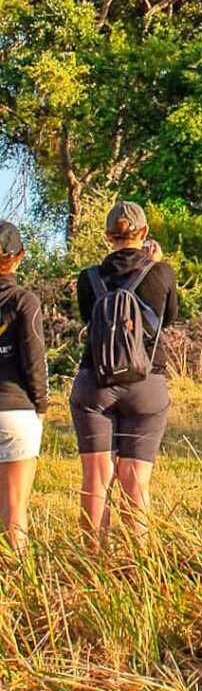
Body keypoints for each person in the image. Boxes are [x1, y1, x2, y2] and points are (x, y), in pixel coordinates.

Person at [70, 201, 178, 543]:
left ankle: (93, 563)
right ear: (143, 234)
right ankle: (140, 562)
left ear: (107, 237)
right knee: (135, 479)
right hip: (146, 381)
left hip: (96, 380)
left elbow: (89, 319)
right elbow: (168, 320)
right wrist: (154, 265)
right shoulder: (161, 273)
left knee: (96, 478)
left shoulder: (87, 278)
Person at [0, 221, 48, 552]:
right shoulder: (23, 301)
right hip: (15, 409)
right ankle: (16, 587)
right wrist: (41, 405)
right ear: (19, 257)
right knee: (15, 510)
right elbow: (34, 361)